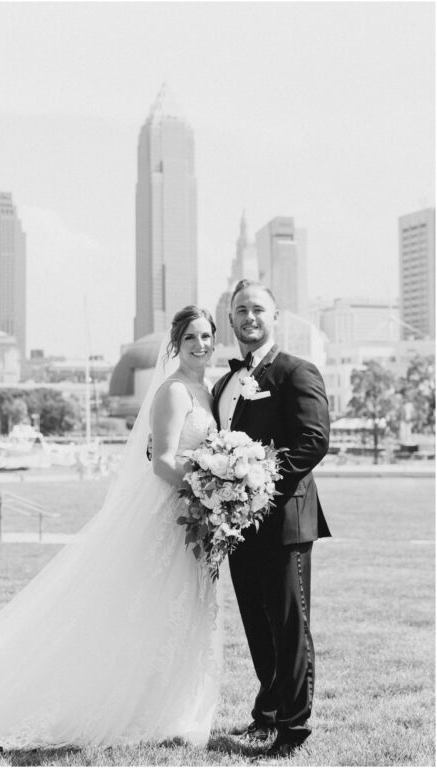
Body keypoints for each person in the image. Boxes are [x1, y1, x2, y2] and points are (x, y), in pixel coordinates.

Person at [0, 307, 223, 750]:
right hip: (168, 515)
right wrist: (210, 485)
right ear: (176, 344)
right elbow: (161, 461)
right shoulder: (175, 391)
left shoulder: (205, 390)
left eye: (207, 337)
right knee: (144, 609)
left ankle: (165, 708)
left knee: (179, 610)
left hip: (193, 520)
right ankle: (116, 705)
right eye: (192, 337)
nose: (201, 344)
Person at [212, 279, 330, 757]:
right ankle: (267, 716)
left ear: (275, 316)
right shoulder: (224, 383)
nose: (249, 317)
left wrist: (258, 490)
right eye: (240, 310)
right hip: (238, 526)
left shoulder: (298, 371)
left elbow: (312, 441)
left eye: (258, 309)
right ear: (231, 319)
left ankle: (293, 731)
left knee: (288, 625)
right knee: (257, 627)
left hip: (284, 521)